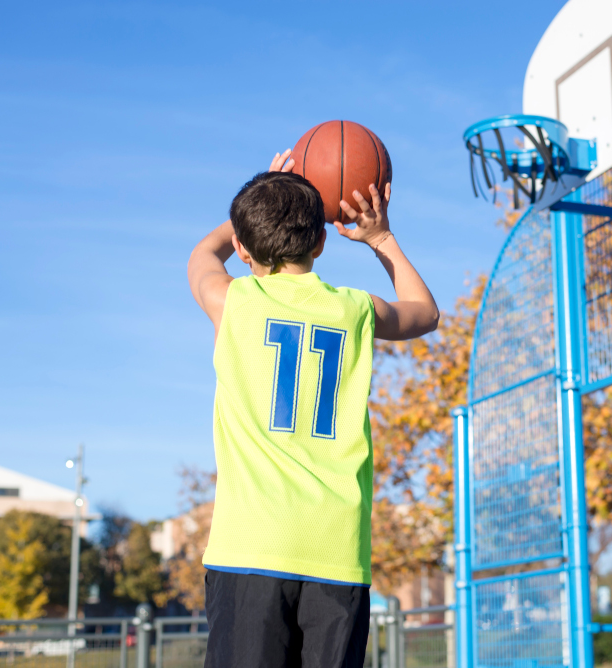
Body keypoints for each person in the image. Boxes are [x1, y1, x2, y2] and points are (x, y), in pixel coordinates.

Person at [187, 150, 439, 668]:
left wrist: (267, 195)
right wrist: (380, 237)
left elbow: (201, 257)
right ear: (321, 240)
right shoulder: (356, 309)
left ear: (241, 245)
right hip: (335, 553)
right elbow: (426, 312)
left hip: (248, 550)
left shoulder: (234, 303)